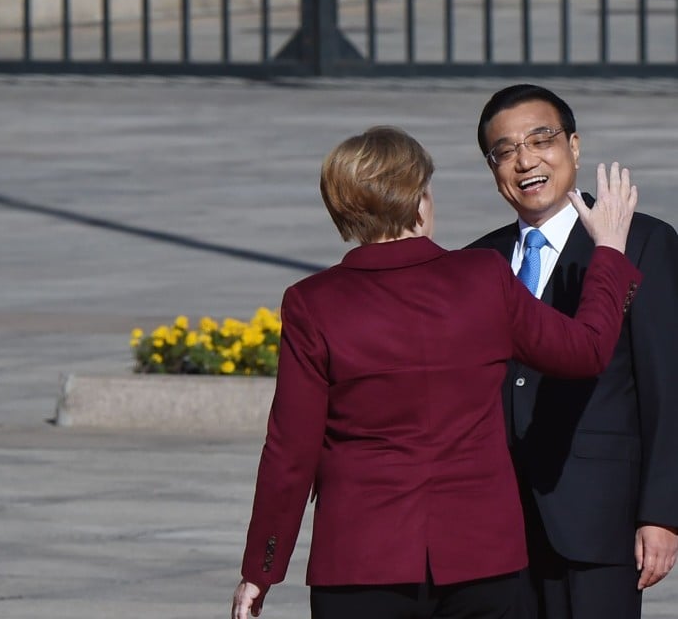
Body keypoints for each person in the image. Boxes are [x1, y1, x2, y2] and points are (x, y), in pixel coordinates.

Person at [231, 126, 641, 619]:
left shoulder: (313, 302)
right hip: (482, 556)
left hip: (363, 561)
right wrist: (611, 254)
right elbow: (587, 350)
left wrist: (261, 567)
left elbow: (290, 450)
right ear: (419, 201)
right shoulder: (484, 277)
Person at [468, 84, 678, 619]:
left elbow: (667, 383)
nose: (526, 161)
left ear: (575, 148)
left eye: (542, 140)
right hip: (496, 527)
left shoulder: (641, 241)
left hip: (598, 522)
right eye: (505, 150)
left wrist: (662, 513)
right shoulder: (477, 261)